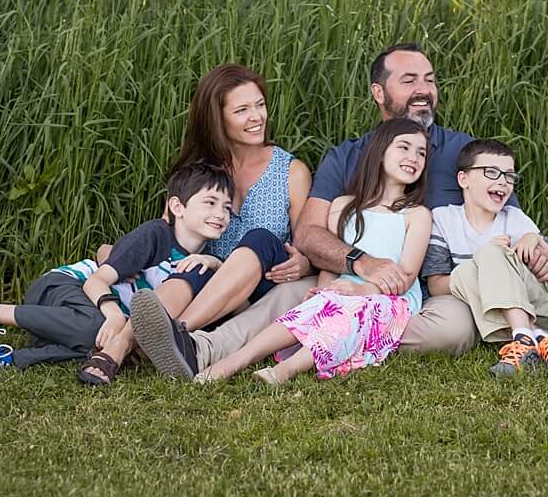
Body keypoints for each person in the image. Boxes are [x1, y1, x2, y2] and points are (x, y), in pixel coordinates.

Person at [162, 42, 499, 378]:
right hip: (349, 280)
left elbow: (504, 219)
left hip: (435, 290)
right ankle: (203, 348)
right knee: (293, 295)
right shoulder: (347, 157)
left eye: (429, 79)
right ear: (378, 92)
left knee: (453, 329)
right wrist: (359, 265)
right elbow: (309, 233)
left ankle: (336, 336)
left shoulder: (465, 152)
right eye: (409, 80)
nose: (424, 90)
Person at [139, 119, 428, 387]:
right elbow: (331, 259)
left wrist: (360, 289)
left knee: (348, 312)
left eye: (421, 154)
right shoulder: (343, 206)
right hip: (344, 290)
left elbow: (405, 276)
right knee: (311, 311)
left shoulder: (417, 214)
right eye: (404, 147)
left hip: (389, 300)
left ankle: (283, 371)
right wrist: (324, 291)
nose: (413, 158)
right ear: (379, 153)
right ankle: (233, 360)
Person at [0, 162, 233, 385]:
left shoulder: (206, 262)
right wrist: (114, 313)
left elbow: (232, 303)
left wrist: (217, 265)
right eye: (210, 202)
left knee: (108, 345)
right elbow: (97, 279)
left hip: (87, 318)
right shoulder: (155, 235)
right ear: (177, 206)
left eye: (227, 207)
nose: (220, 214)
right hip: (67, 287)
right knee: (101, 331)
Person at [145, 62, 313, 334]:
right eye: (242, 110)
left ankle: (176, 331)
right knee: (194, 271)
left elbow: (307, 244)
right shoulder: (198, 173)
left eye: (260, 105)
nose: (257, 116)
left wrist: (304, 264)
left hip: (263, 289)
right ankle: (131, 340)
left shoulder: (291, 172)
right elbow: (168, 239)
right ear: (217, 118)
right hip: (204, 286)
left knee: (260, 238)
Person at [433, 137, 548, 374]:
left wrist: (541, 247)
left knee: (491, 253)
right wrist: (485, 265)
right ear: (464, 179)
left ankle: (523, 339)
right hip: (506, 316)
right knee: (485, 257)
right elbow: (436, 286)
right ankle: (539, 339)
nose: (503, 182)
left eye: (509, 175)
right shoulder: (443, 219)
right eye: (491, 172)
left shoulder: (516, 220)